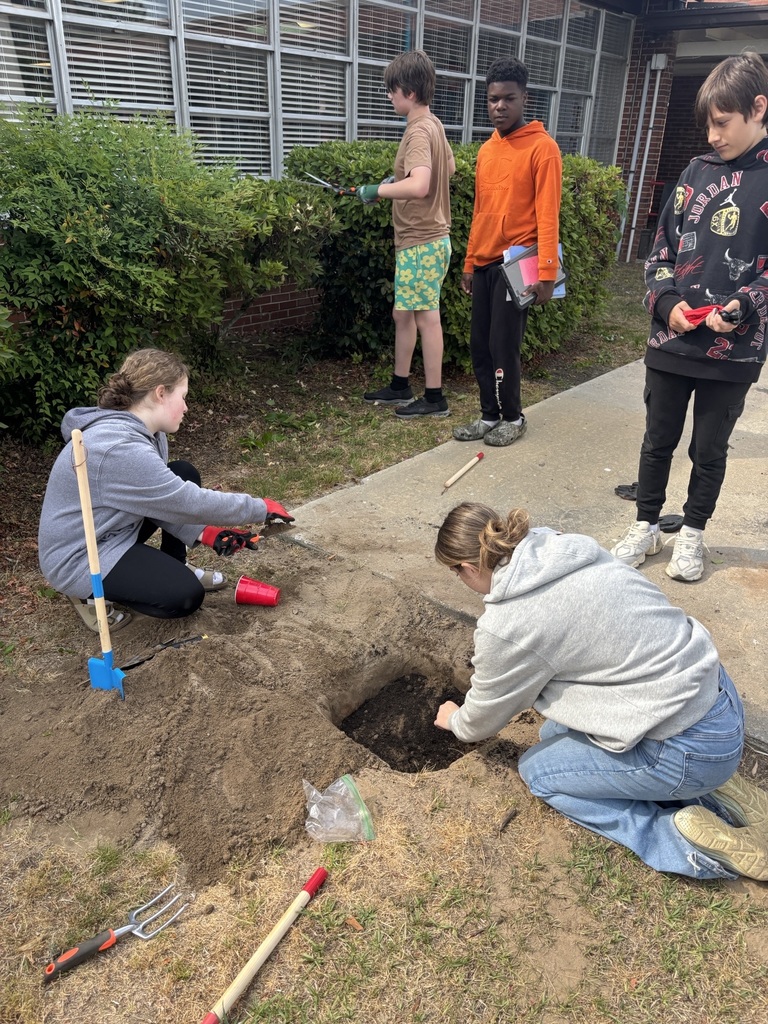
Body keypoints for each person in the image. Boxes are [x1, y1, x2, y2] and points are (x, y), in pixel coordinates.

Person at [433, 501, 768, 881]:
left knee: (538, 772)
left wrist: (456, 721)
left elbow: (482, 718)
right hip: (717, 699)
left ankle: (681, 840)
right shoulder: (566, 548)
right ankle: (717, 788)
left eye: (455, 572)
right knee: (552, 733)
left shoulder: (508, 625)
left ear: (468, 568)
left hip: (685, 746)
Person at [611, 52, 768, 582]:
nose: (712, 135)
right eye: (707, 124)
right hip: (672, 341)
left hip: (734, 351)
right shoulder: (694, 172)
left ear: (758, 108)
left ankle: (694, 532)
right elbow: (659, 252)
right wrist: (664, 303)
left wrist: (743, 306)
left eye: (722, 122)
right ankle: (646, 524)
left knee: (709, 450)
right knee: (657, 441)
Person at [38, 348, 294, 629]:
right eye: (182, 397)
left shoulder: (150, 432)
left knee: (182, 472)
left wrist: (205, 532)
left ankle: (174, 563)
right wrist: (260, 507)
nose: (186, 407)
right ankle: (87, 594)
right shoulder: (117, 448)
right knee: (183, 596)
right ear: (160, 393)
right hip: (81, 555)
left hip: (114, 528)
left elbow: (157, 500)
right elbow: (187, 502)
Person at [453, 57, 562, 448]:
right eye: (493, 99)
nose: (499, 106)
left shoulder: (543, 149)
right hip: (483, 263)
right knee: (479, 344)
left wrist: (547, 274)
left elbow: (548, 216)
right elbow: (480, 212)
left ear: (524, 98)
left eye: (508, 99)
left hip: (515, 265)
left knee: (504, 345)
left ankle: (513, 417)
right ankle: (489, 415)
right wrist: (469, 263)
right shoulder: (486, 150)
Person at [358, 49, 455, 419]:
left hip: (421, 240)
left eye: (392, 90)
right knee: (403, 314)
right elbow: (450, 166)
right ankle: (400, 385)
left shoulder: (417, 131)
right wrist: (399, 179)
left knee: (426, 318)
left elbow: (420, 185)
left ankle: (434, 398)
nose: (389, 96)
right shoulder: (434, 124)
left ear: (409, 92)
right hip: (426, 240)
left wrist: (378, 190)